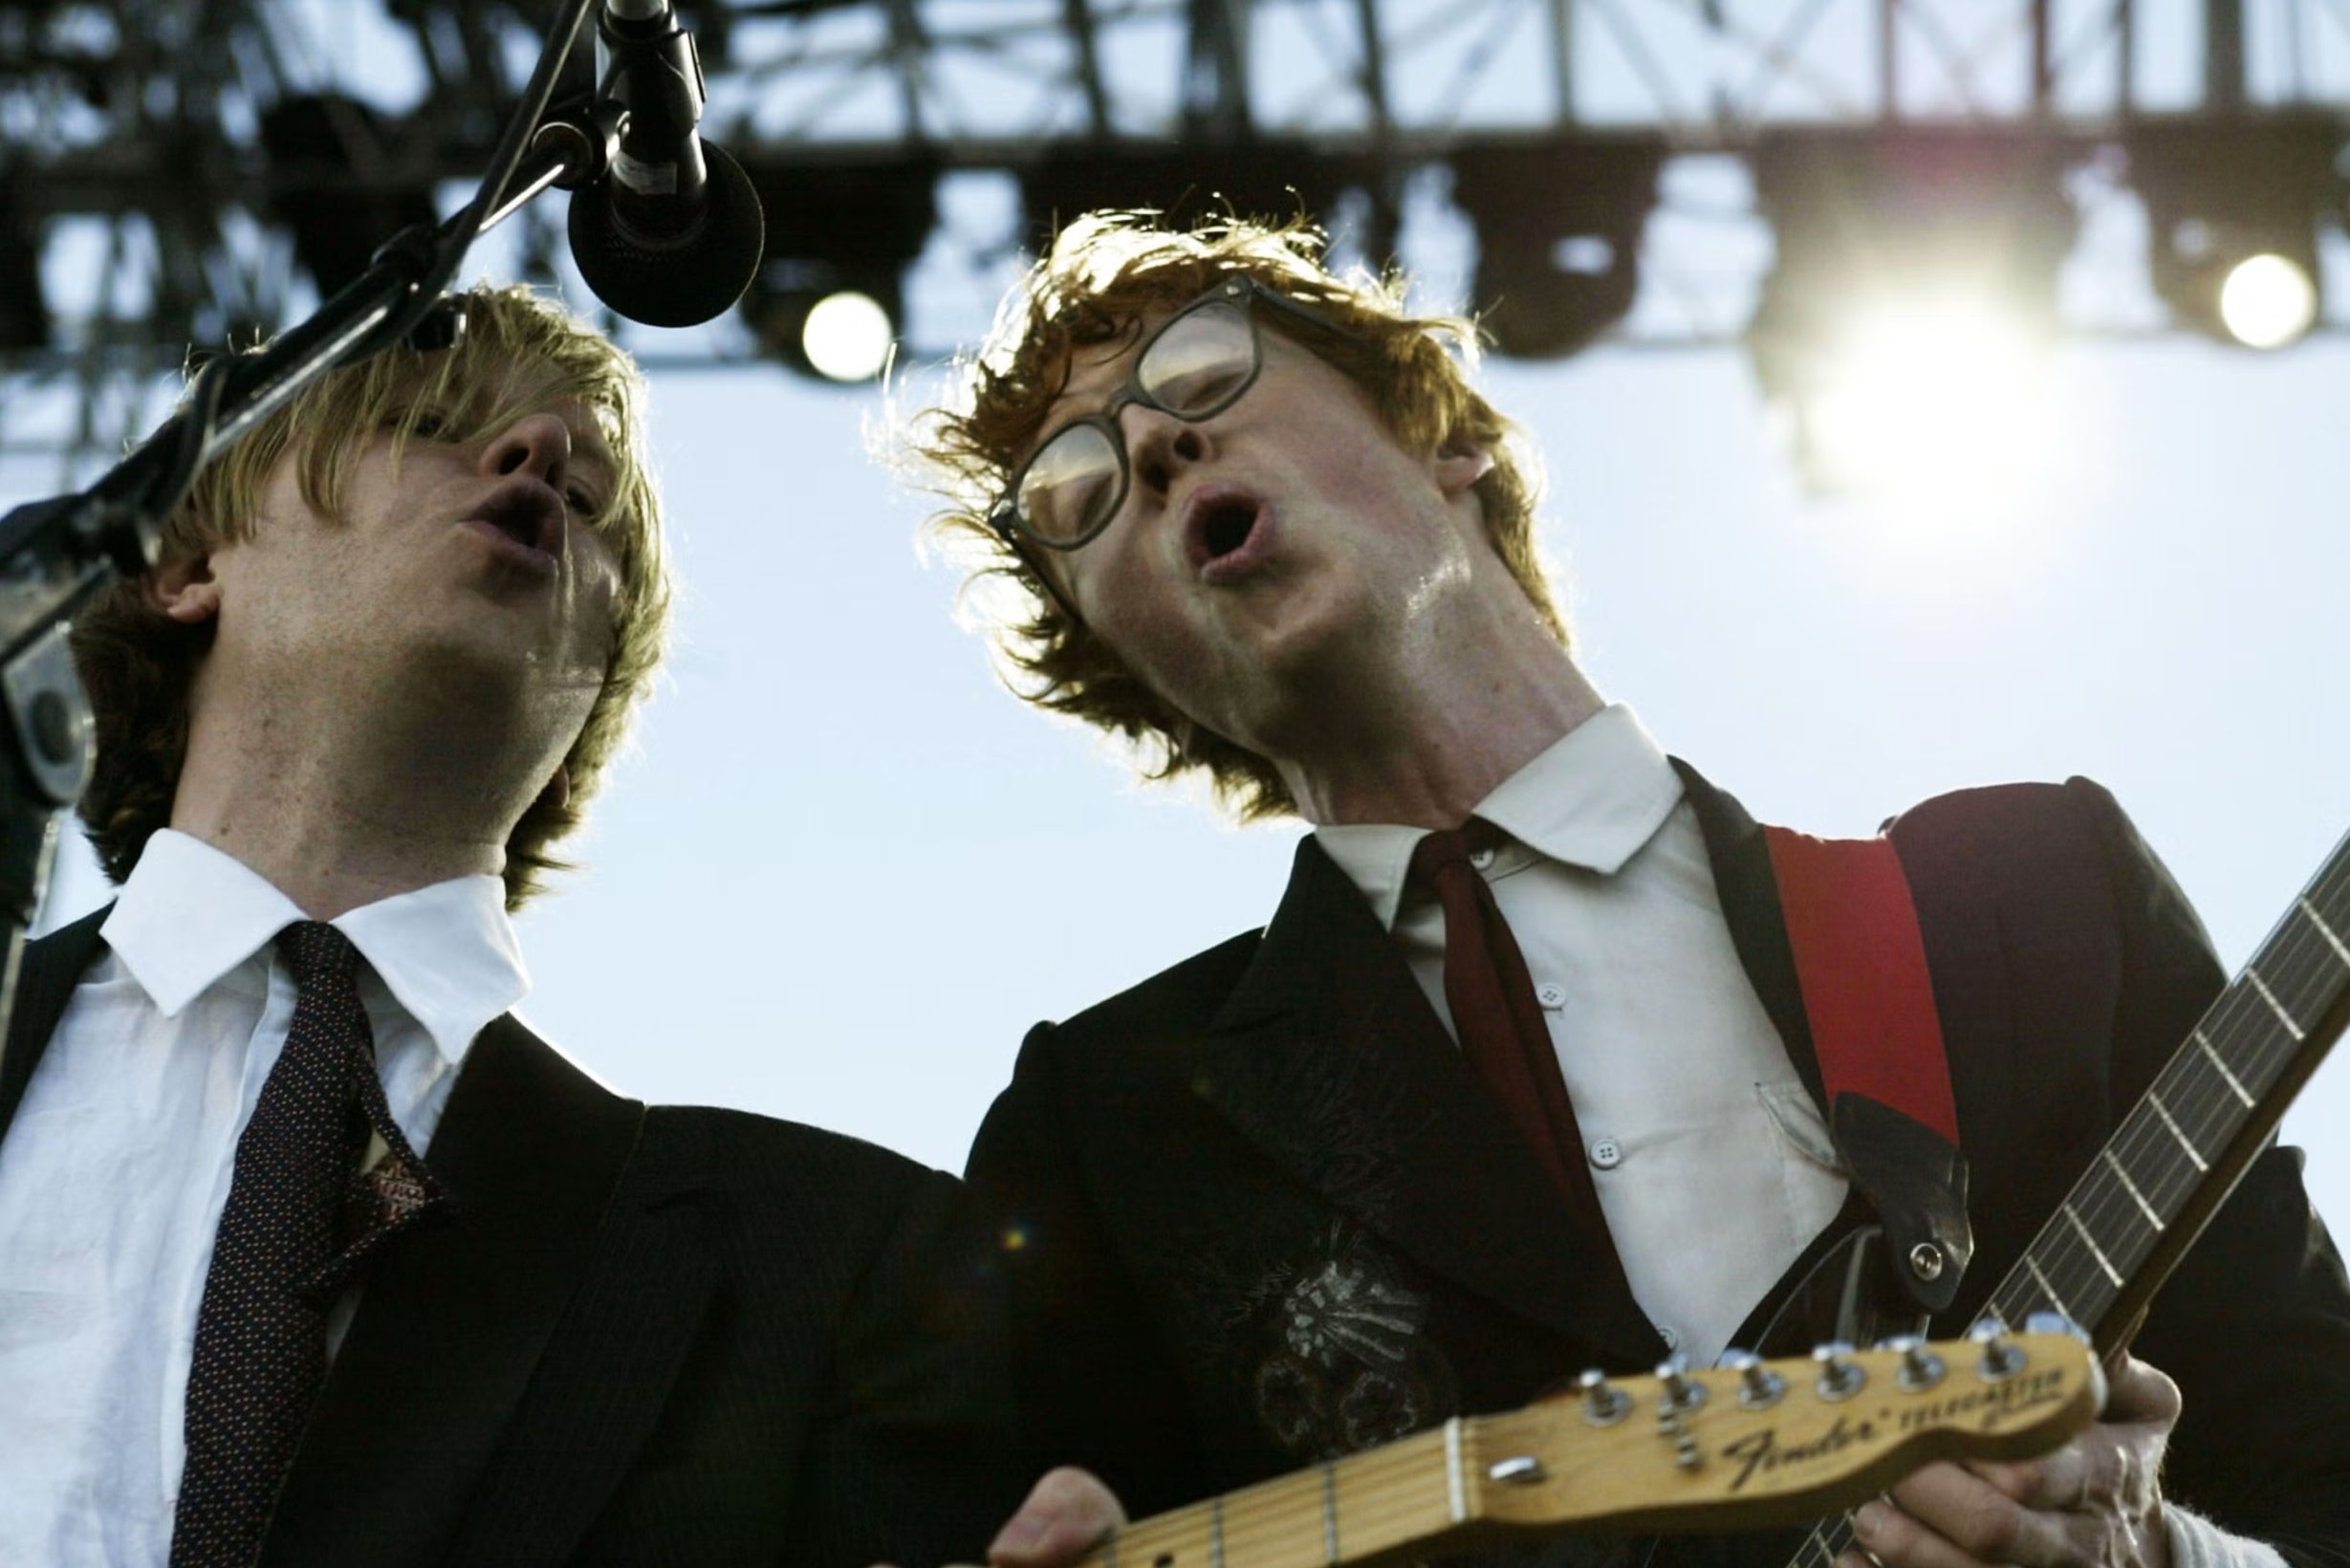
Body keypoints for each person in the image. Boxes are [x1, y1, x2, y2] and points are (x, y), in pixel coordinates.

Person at [903, 214, 2350, 1568]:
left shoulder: (2029, 898)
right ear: (1125, 663)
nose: (1151, 441)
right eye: (1072, 496)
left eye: (1203, 371)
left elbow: (2322, 1475)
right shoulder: (1110, 1126)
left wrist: (2158, 1549)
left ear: (1436, 437)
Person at [0, 285, 1014, 1567]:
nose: (535, 459)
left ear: (597, 686)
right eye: (430, 421)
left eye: (591, 501)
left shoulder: (823, 1256)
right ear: (192, 566)